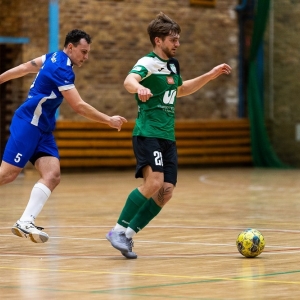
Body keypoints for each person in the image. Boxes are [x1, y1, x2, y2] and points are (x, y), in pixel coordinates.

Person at [106, 12, 231, 259]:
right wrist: (139, 86)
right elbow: (129, 80)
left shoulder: (173, 65)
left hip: (167, 137)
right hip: (147, 132)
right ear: (158, 40)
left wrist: (210, 75)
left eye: (178, 39)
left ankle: (128, 236)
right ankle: (117, 230)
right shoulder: (147, 62)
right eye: (173, 39)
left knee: (166, 191)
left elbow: (180, 89)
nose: (177, 44)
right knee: (153, 183)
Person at [0, 29, 127, 243]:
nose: (86, 57)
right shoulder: (61, 69)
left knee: (52, 175)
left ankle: (25, 222)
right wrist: (108, 120)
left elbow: (24, 68)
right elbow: (78, 106)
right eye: (83, 52)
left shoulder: (53, 56)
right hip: (29, 123)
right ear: (70, 47)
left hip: (44, 128)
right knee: (8, 174)